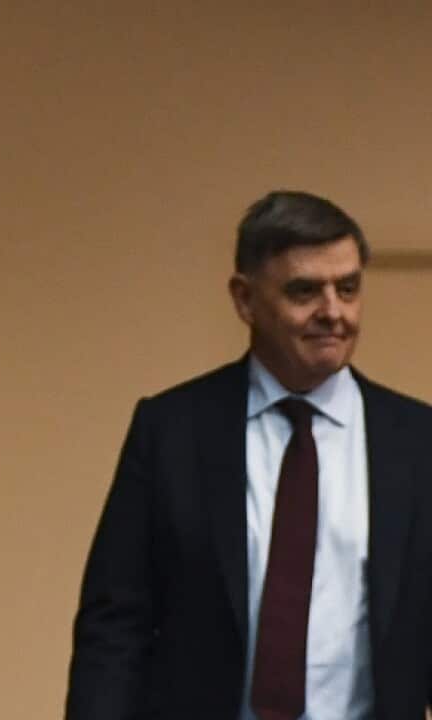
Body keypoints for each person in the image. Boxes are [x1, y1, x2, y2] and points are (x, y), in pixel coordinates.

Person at [65, 190, 432, 720]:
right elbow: (115, 626)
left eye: (348, 289)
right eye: (305, 291)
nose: (333, 312)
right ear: (244, 299)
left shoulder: (417, 442)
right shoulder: (172, 431)